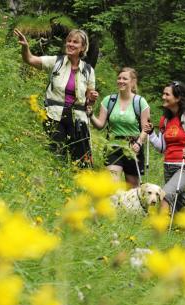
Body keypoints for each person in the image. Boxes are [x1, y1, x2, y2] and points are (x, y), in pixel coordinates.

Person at [14, 28, 99, 166]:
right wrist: (25, 47)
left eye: (75, 42)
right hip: (54, 115)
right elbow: (29, 59)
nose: (70, 44)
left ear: (83, 47)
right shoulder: (56, 62)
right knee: (55, 154)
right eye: (69, 41)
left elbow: (89, 101)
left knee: (80, 161)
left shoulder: (88, 70)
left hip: (78, 119)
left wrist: (92, 98)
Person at [87, 67, 150, 188]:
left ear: (132, 82)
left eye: (124, 78)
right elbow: (100, 125)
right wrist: (91, 115)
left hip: (133, 148)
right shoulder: (109, 100)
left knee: (132, 190)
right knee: (112, 185)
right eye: (119, 78)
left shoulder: (140, 102)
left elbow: (145, 129)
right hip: (113, 147)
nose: (121, 81)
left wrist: (139, 142)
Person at [144, 81, 185, 213]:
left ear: (178, 98)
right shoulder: (165, 119)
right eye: (163, 94)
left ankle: (159, 229)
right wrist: (152, 134)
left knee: (166, 194)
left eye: (167, 94)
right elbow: (161, 148)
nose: (163, 97)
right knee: (180, 202)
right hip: (168, 166)